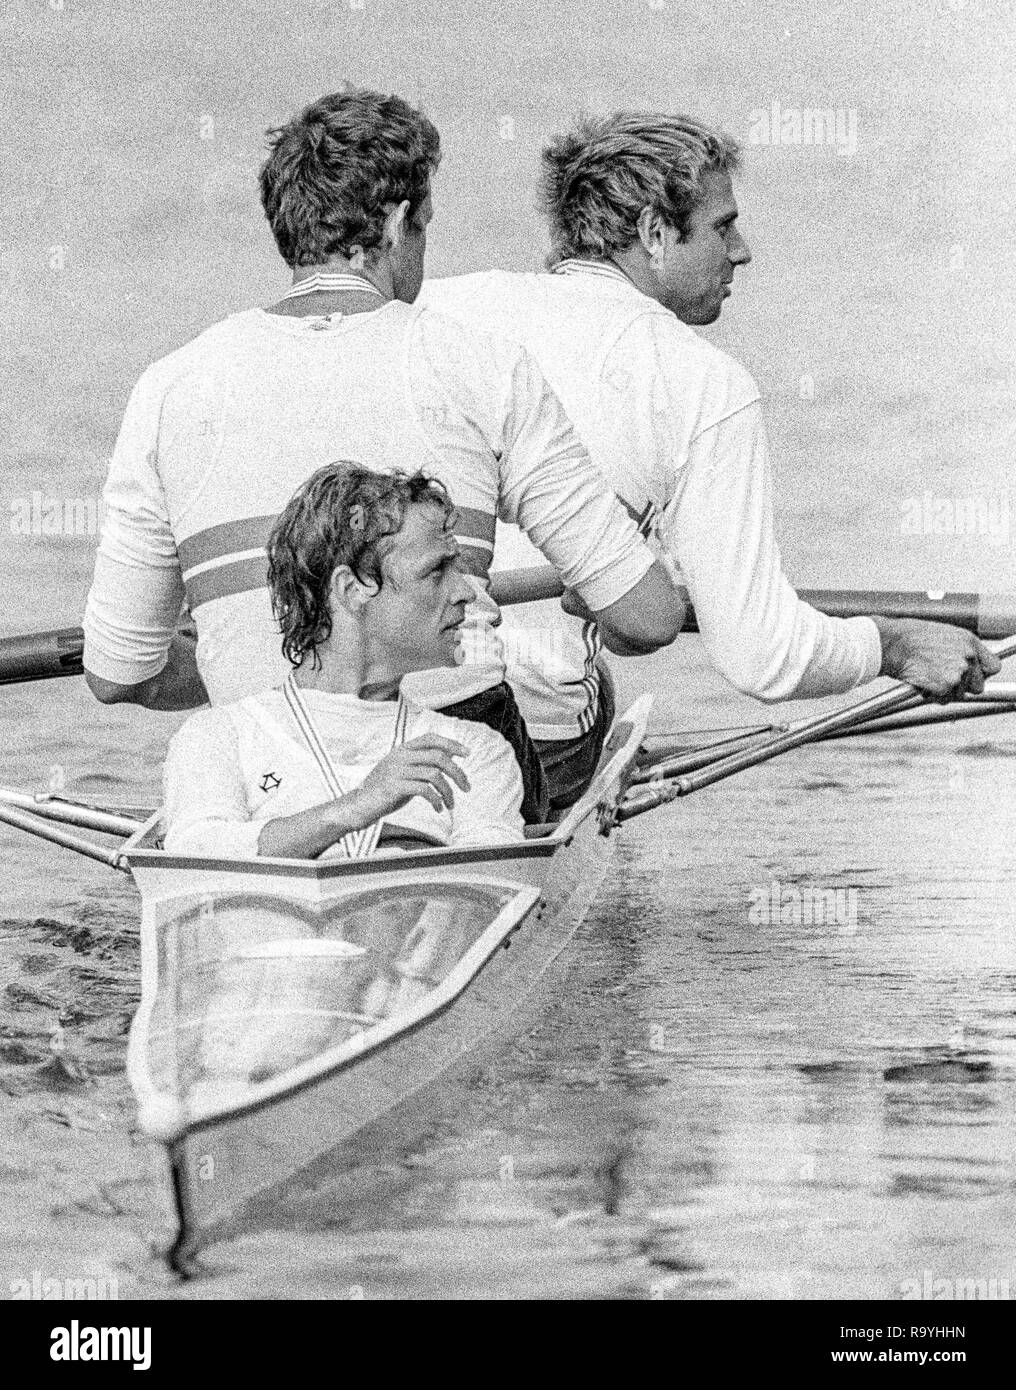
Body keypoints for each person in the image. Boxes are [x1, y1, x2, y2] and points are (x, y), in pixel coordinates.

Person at [82, 90, 683, 827]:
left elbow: (120, 673)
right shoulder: (481, 364)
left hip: (260, 762)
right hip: (455, 751)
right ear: (399, 222)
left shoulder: (168, 386)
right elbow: (650, 618)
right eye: (424, 228)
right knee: (588, 697)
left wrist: (248, 661)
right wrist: (602, 588)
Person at [421, 111, 1000, 810]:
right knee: (593, 682)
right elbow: (763, 655)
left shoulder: (437, 305)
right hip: (517, 724)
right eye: (723, 227)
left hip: (358, 689)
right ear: (655, 235)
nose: (743, 251)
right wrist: (897, 645)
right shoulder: (704, 382)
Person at [163, 463, 524, 859]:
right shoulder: (218, 738)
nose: (466, 593)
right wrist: (357, 807)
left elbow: (491, 888)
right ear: (351, 590)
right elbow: (195, 854)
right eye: (437, 570)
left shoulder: (473, 752)